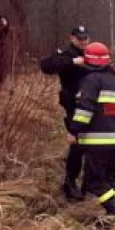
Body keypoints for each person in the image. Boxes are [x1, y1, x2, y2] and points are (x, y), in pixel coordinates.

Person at [67, 41, 115, 217]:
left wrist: (73, 131)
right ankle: (114, 210)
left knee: (94, 181)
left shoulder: (90, 81)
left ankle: (114, 209)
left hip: (97, 141)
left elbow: (84, 111)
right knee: (109, 177)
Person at [40, 26, 92, 201]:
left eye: (86, 38)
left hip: (92, 104)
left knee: (93, 144)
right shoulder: (66, 54)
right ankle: (70, 183)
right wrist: (73, 62)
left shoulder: (93, 53)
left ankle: (90, 183)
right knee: (77, 144)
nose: (83, 41)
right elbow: (46, 66)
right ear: (72, 38)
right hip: (73, 105)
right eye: (80, 38)